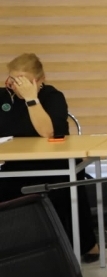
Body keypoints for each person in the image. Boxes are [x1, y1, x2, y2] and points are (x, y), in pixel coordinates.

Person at [0, 54, 99, 261]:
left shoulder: (52, 97)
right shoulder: (3, 97)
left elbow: (48, 133)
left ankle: (83, 245)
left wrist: (31, 99)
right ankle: (16, 249)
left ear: (40, 79)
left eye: (23, 81)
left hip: (54, 162)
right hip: (14, 164)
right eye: (13, 80)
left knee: (67, 185)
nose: (17, 86)